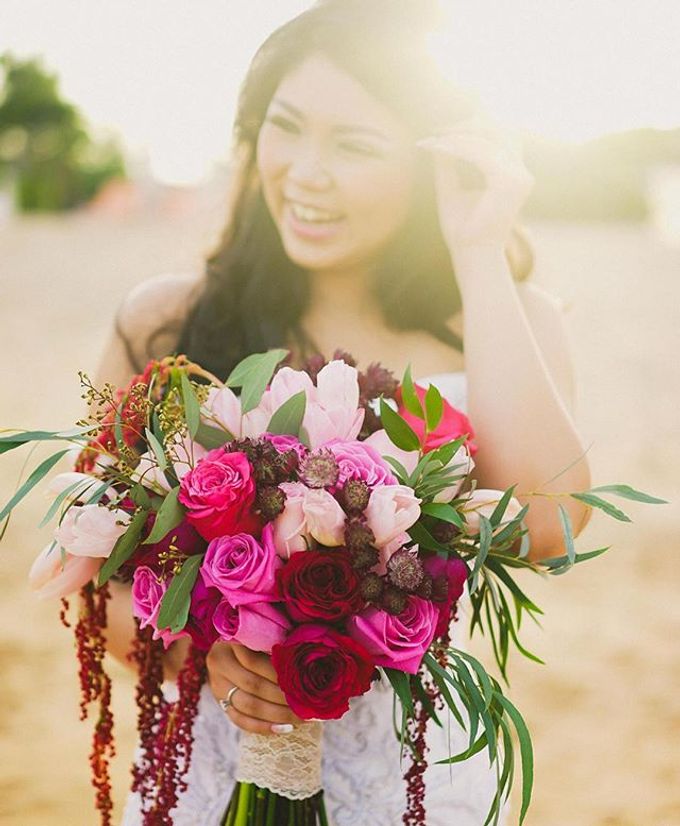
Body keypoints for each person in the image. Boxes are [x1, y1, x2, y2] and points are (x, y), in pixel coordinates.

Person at [96, 2, 592, 823]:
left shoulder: (510, 318)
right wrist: (200, 649)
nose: (305, 171)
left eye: (355, 145)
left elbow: (555, 526)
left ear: (435, 164)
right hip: (214, 770)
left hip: (418, 780)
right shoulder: (167, 324)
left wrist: (477, 251)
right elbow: (99, 589)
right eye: (285, 128)